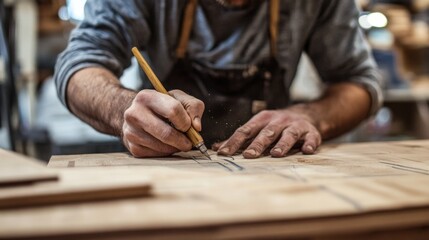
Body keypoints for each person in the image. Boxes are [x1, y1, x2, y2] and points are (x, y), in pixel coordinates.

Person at [54, 0, 383, 159]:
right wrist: (123, 109)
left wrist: (312, 116)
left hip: (272, 175)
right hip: (166, 172)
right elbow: (79, 67)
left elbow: (358, 82)